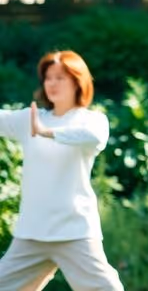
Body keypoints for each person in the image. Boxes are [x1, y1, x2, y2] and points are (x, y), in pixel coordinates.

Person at [0, 50, 123, 291]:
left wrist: (48, 132)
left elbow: (94, 137)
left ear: (78, 82)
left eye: (60, 77)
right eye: (48, 78)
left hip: (74, 231)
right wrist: (40, 127)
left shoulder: (92, 120)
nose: (52, 84)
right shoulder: (30, 119)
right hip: (32, 234)